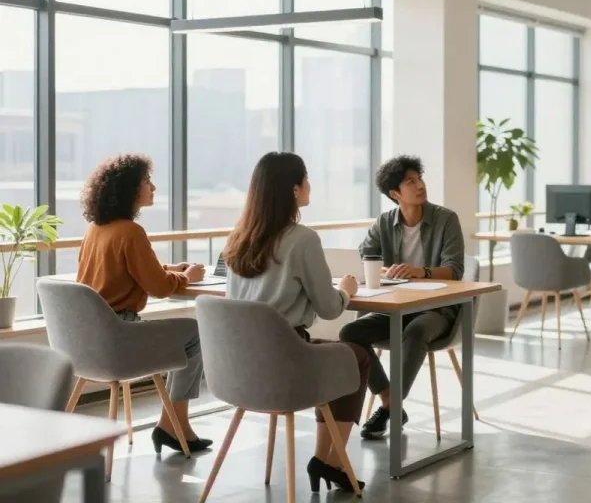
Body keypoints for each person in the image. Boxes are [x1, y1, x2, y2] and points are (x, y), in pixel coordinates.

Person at [223, 151, 367, 493]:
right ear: (293, 189)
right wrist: (346, 290)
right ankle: (328, 460)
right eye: (306, 178)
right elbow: (330, 309)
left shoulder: (238, 238)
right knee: (357, 355)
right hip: (287, 364)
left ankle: (325, 462)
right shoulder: (302, 239)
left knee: (335, 355)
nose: (309, 184)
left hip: (239, 369)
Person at [76, 153, 212, 454]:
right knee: (195, 333)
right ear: (129, 189)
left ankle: (173, 425)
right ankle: (173, 424)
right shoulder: (131, 232)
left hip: (88, 339)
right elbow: (160, 288)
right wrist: (185, 277)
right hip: (120, 334)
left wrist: (170, 269)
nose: (153, 187)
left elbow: (126, 272)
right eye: (146, 182)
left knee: (187, 334)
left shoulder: (95, 230)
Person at [340, 155, 465, 440]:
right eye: (411, 182)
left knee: (417, 329)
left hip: (437, 310)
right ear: (395, 194)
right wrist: (385, 269)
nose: (420, 185)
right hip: (396, 307)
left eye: (419, 179)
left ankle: (389, 408)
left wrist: (420, 271)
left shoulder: (446, 219)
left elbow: (455, 270)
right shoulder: (385, 222)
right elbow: (367, 255)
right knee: (350, 331)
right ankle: (390, 402)